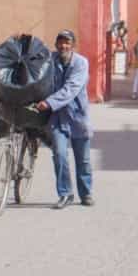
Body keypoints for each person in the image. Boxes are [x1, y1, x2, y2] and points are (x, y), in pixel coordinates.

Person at [36, 30, 94, 208]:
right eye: (60, 42)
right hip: (57, 117)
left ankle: (86, 193)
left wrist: (49, 102)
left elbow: (71, 89)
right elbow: (34, 63)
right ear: (56, 45)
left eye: (67, 42)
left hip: (77, 117)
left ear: (73, 45)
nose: (63, 46)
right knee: (60, 155)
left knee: (82, 160)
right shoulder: (50, 60)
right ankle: (65, 193)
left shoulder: (81, 63)